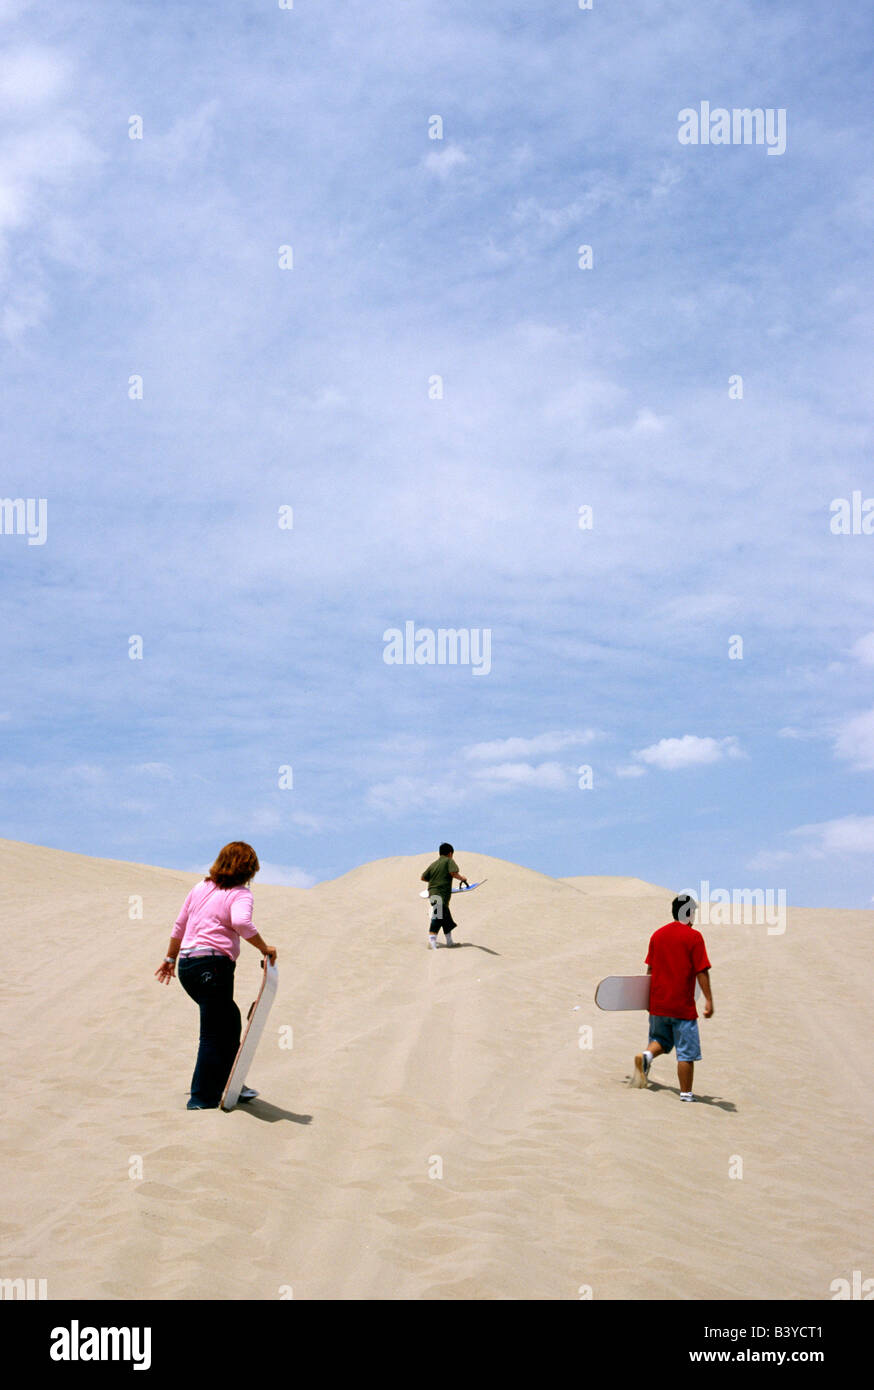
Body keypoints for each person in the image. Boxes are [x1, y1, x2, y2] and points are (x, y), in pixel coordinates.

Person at [155, 841, 277, 1110]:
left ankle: (230, 1081)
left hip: (188, 966)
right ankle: (201, 1098)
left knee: (229, 1022)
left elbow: (179, 926)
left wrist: (169, 959)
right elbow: (242, 923)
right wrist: (264, 947)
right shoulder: (241, 894)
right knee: (213, 1031)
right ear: (249, 868)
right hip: (212, 965)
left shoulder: (200, 887)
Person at [633, 893, 713, 1102]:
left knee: (661, 1040)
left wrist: (647, 999)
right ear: (689, 913)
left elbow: (650, 969)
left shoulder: (657, 935)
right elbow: (701, 971)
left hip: (658, 1003)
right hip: (682, 1007)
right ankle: (686, 1094)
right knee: (686, 1053)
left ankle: (646, 1056)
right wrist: (709, 1000)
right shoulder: (694, 937)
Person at [420, 842, 468, 949]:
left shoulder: (433, 864)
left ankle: (450, 942)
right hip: (440, 894)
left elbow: (423, 877)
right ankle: (432, 942)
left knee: (445, 917)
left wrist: (435, 879)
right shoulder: (448, 861)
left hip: (432, 894)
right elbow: (453, 872)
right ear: (450, 853)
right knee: (438, 916)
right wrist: (462, 879)